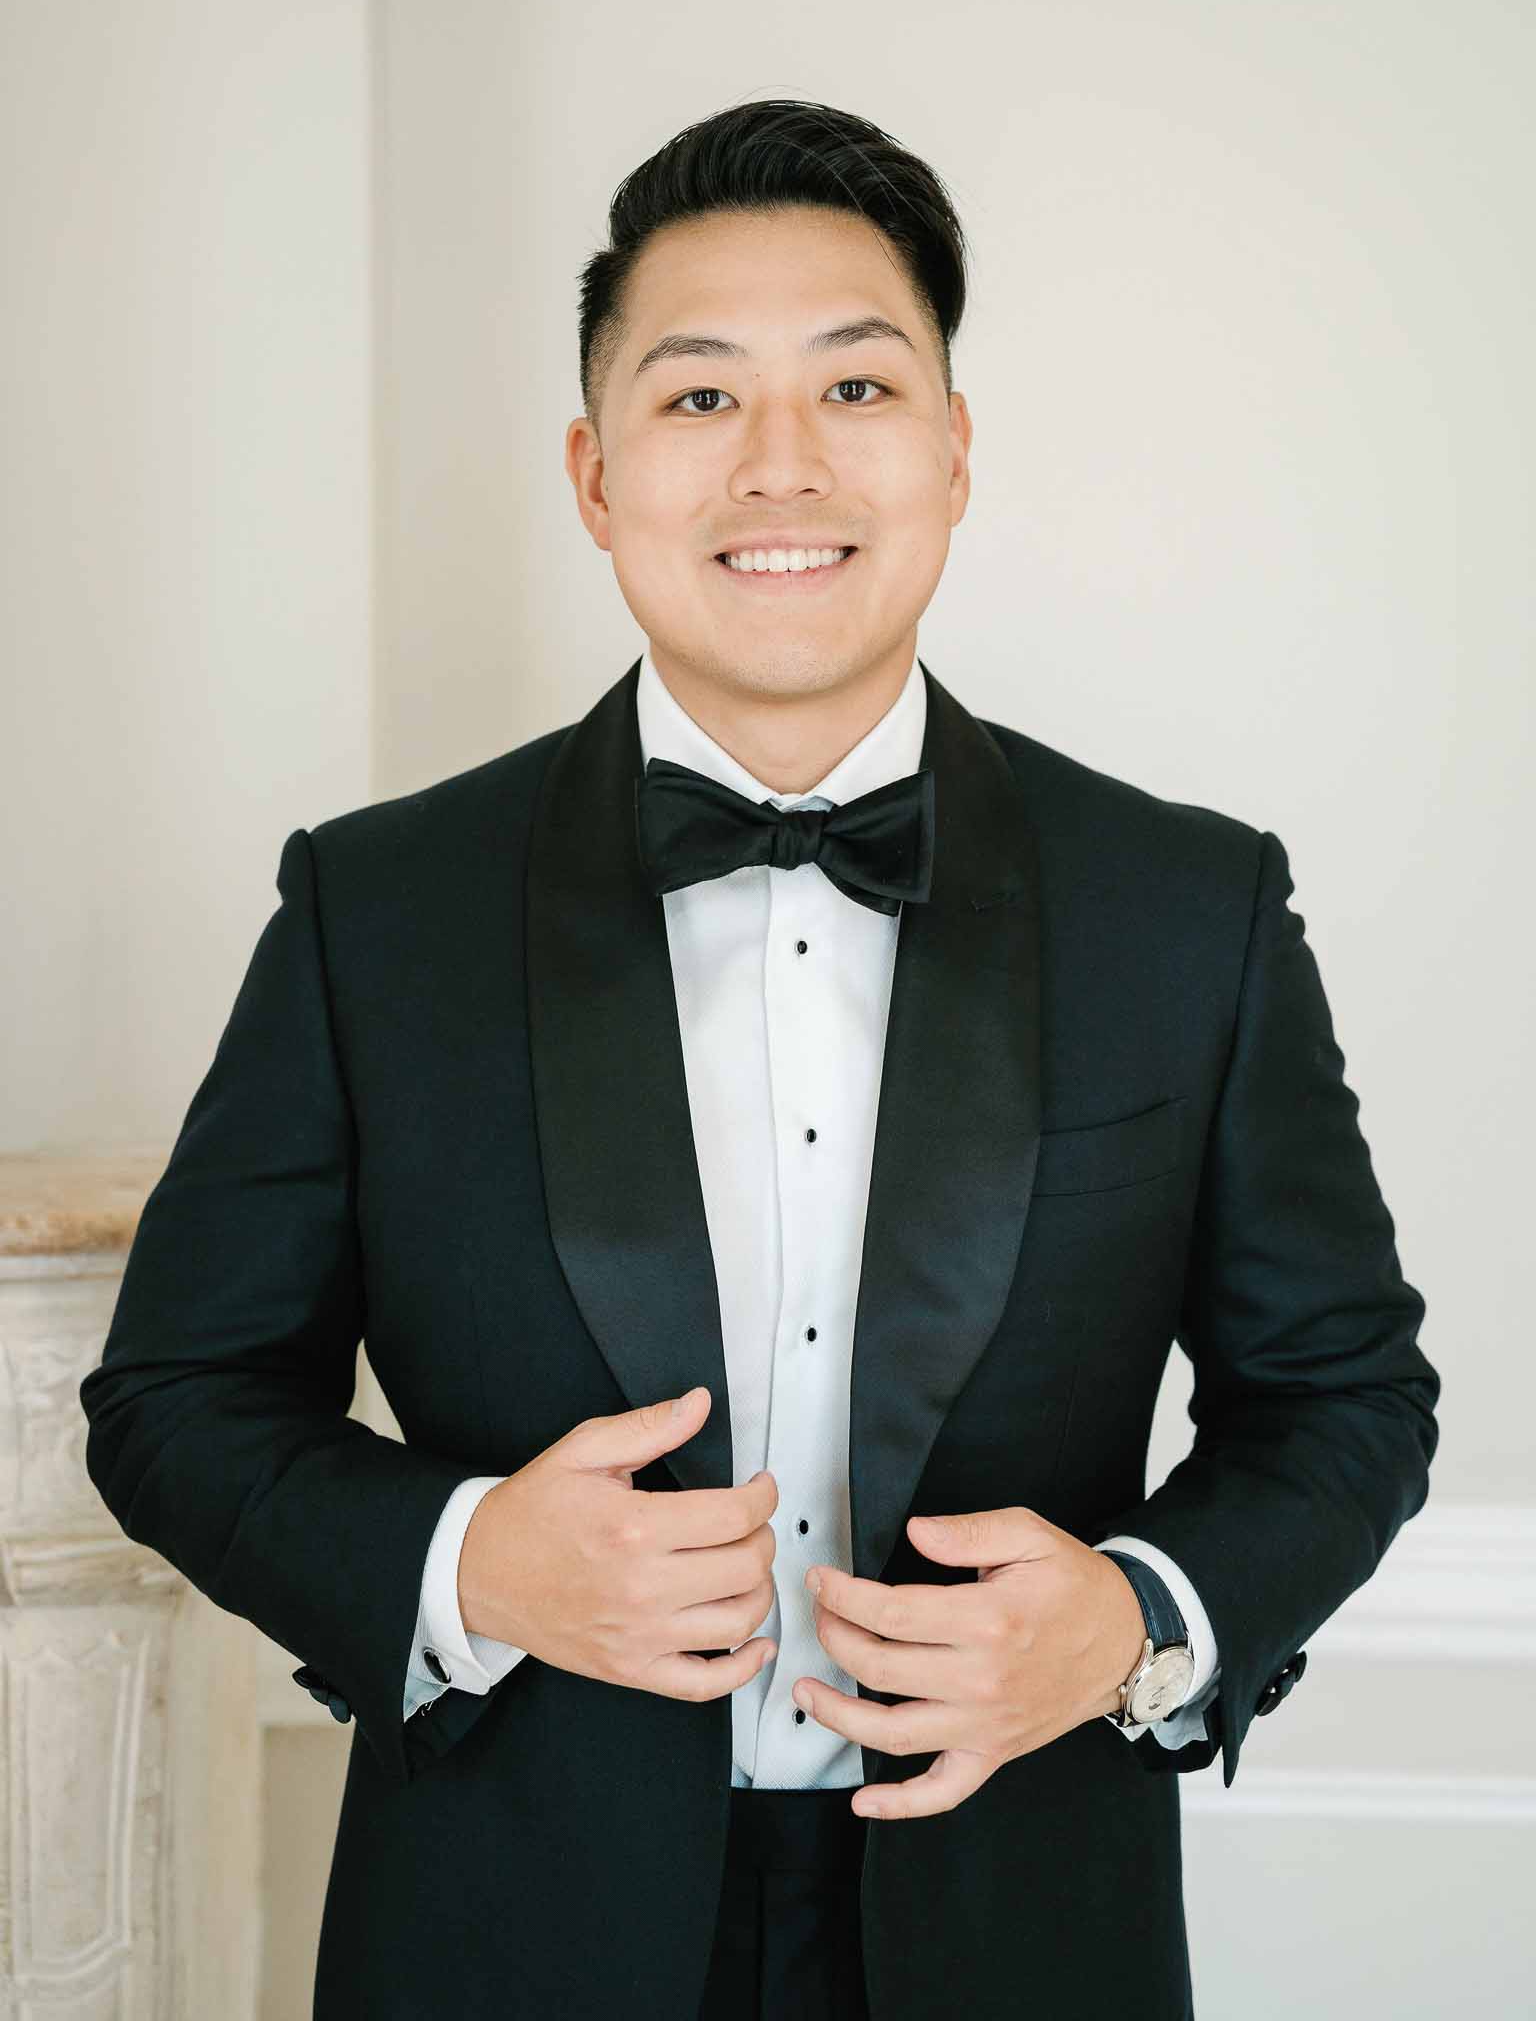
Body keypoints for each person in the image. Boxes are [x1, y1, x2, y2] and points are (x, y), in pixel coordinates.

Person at [79, 98, 1439, 2020]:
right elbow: (174, 1398)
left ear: (955, 455)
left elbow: (1349, 1400)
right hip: (500, 1937)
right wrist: (471, 1566)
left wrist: (1138, 1622)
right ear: (594, 468)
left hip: (1025, 1933)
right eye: (701, 397)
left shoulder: (1187, 906)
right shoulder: (374, 909)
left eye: (858, 388)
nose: (779, 465)